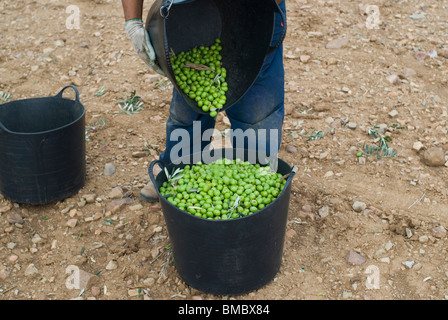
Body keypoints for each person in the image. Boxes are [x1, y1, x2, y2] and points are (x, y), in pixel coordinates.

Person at [121, 0, 287, 202]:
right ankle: (178, 170)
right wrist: (133, 22)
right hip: (188, 12)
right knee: (190, 101)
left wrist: (250, 8)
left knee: (257, 113)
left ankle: (257, 180)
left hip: (254, 13)